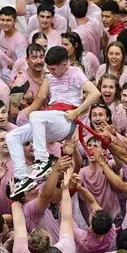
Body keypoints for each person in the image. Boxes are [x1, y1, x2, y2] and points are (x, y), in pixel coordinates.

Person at [6, 46, 100, 189]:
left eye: (54, 69)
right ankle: (22, 177)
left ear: (64, 64)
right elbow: (41, 97)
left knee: (35, 116)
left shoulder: (75, 72)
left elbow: (95, 93)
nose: (50, 71)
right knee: (12, 136)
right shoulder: (49, 76)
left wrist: (77, 112)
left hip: (67, 118)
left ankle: (42, 161)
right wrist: (25, 97)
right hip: (52, 118)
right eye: (48, 68)